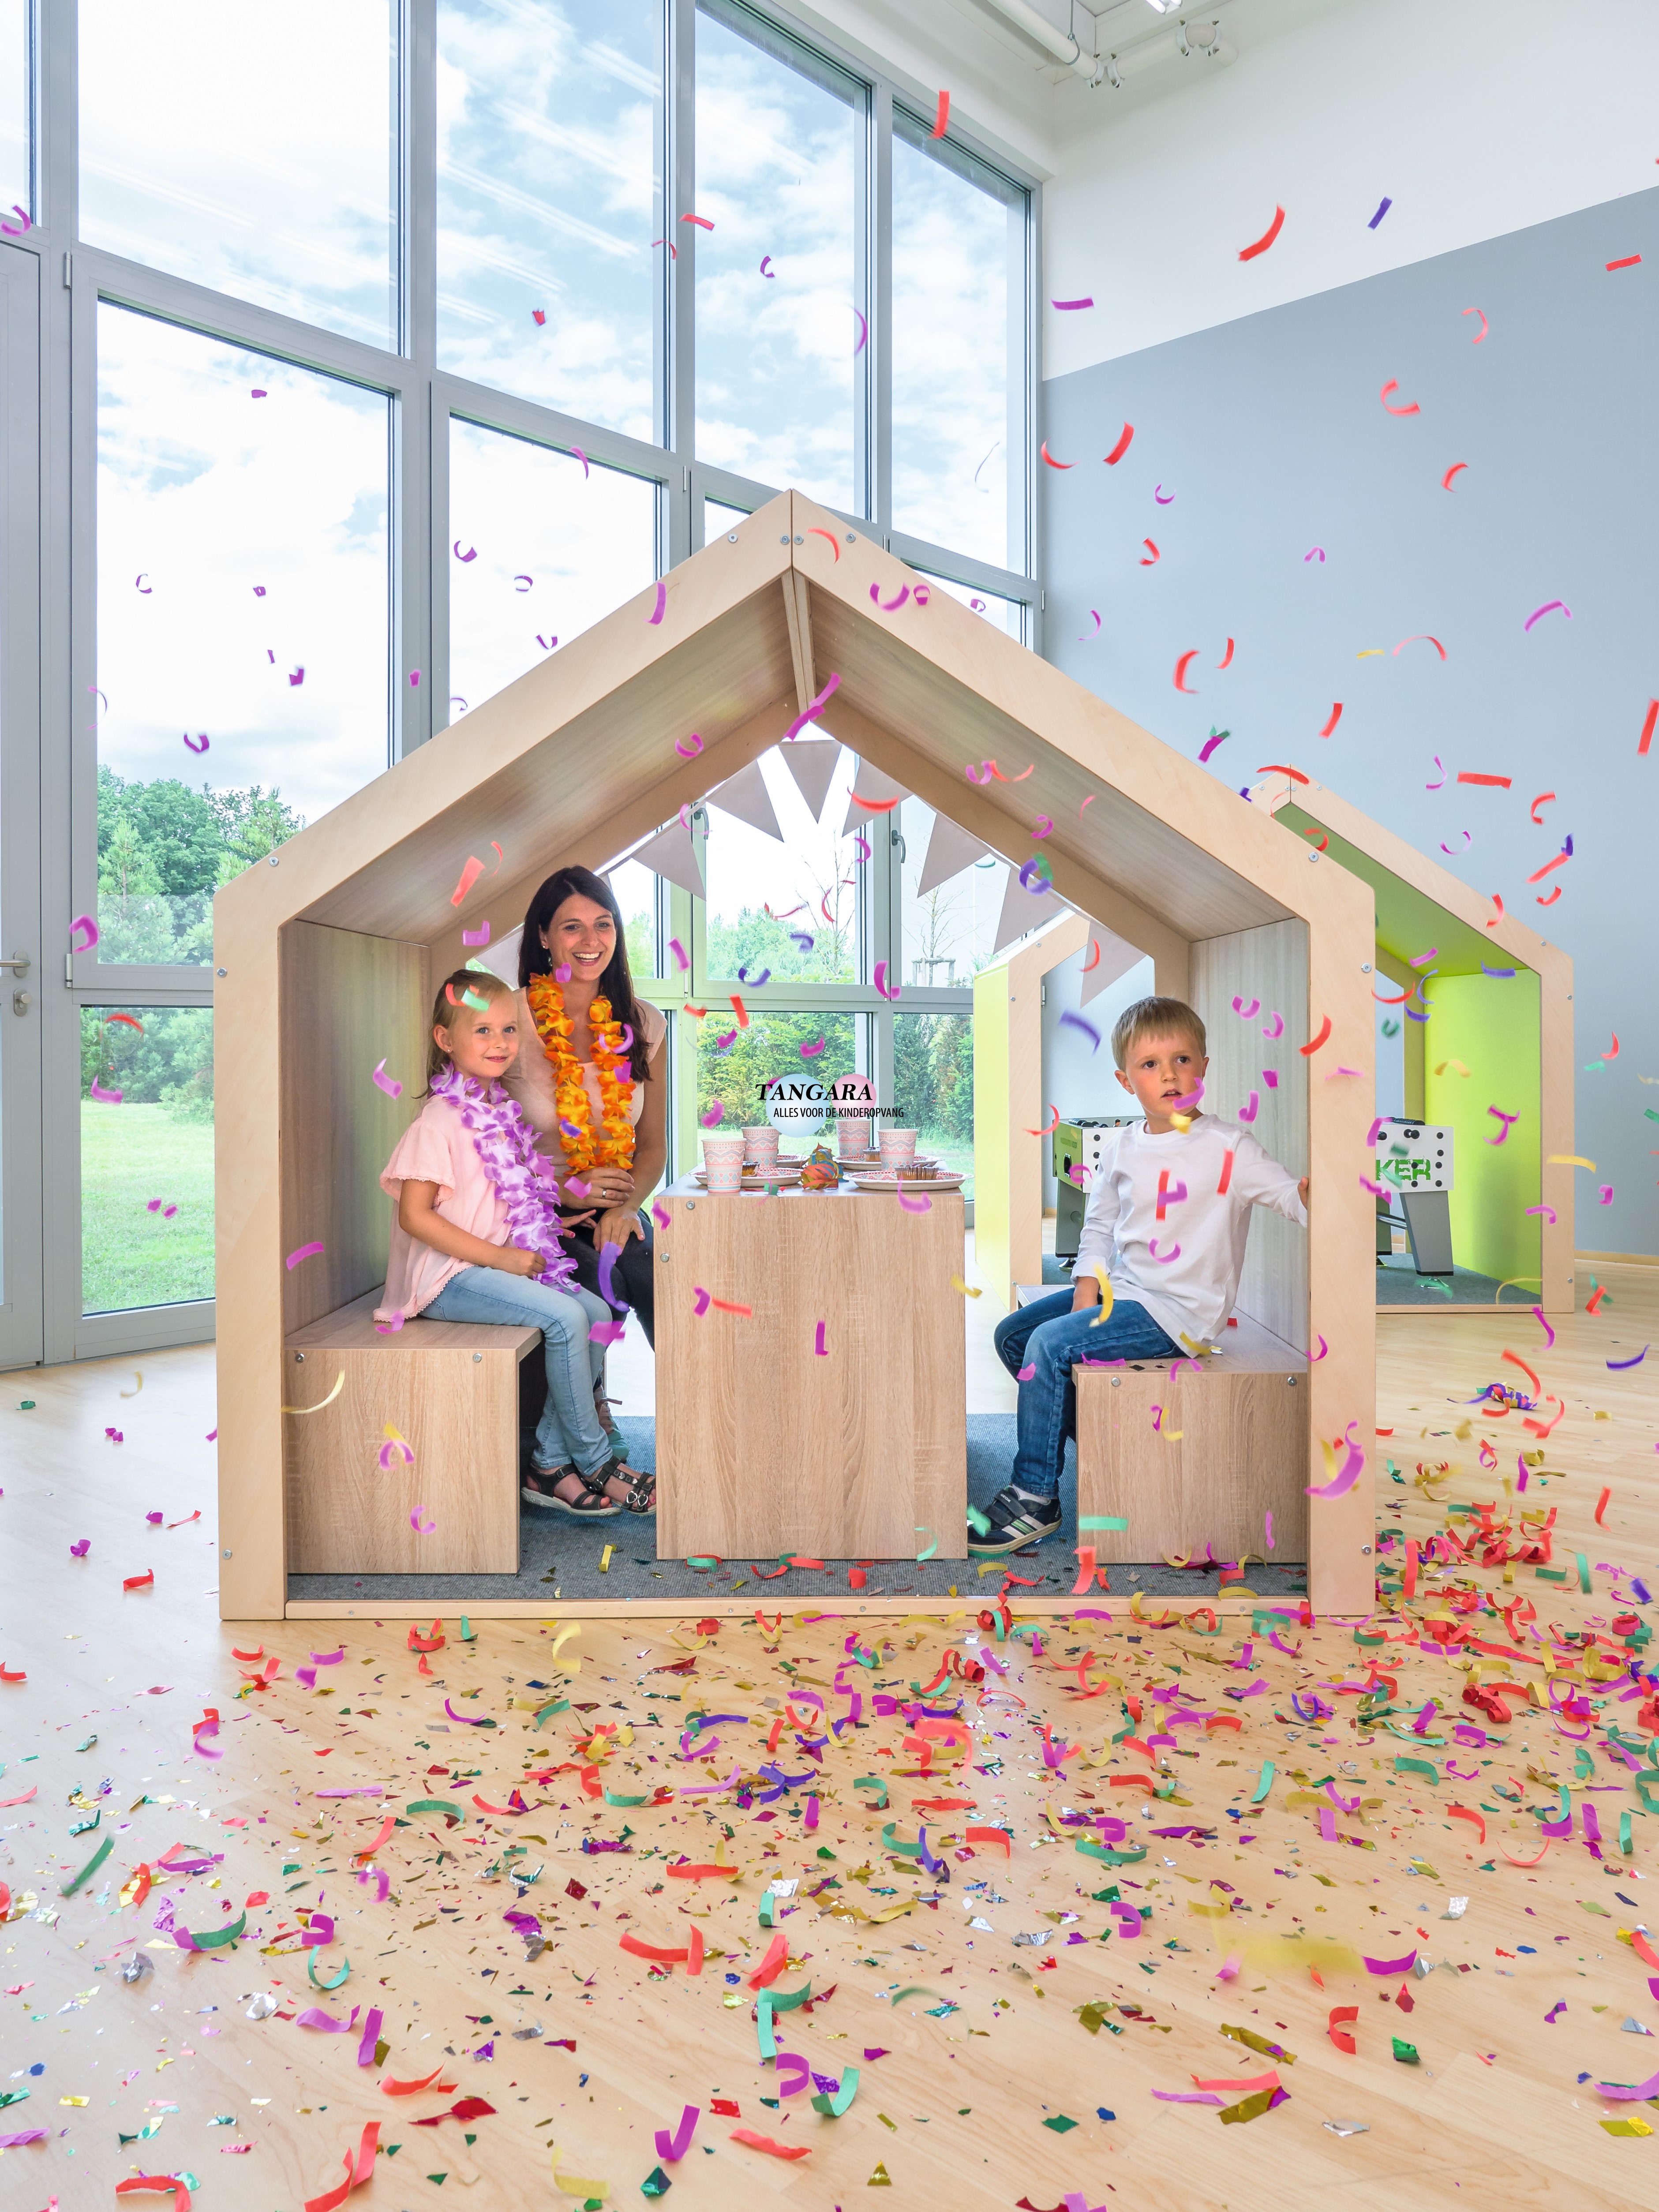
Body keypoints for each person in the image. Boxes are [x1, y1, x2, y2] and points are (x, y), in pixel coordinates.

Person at [971, 994, 1309, 1557]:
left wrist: (1311, 1194)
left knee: (1049, 1345)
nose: (1169, 1075)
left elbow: (1289, 1197)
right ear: (1126, 1081)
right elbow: (1099, 1225)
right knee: (1012, 1335)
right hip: (1125, 1292)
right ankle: (1102, 1442)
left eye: (1182, 1059)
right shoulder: (1123, 1145)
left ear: (1203, 1067)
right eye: (1150, 1065)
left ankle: (1035, 1495)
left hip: (1180, 1314)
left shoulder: (1230, 1147)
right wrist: (1086, 1283)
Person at [375, 968, 655, 1518]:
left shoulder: (499, 1109)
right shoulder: (438, 1121)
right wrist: (502, 1256)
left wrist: (555, 1212)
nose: (500, 1042)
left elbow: (506, 1188)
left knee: (598, 1312)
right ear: (445, 1039)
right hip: (447, 1278)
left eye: (508, 1030)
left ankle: (548, 1463)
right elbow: (414, 1216)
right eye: (482, 1030)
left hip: (491, 1270)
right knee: (566, 1317)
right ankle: (595, 1461)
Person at [502, 868, 667, 1407]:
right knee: (596, 1277)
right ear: (543, 935)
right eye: (571, 926)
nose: (590, 940)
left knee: (652, 1267)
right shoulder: (506, 1018)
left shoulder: (643, 1022)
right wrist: (559, 1192)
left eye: (603, 923)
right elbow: (477, 1138)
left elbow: (652, 1144)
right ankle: (581, 1417)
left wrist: (627, 1207)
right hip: (529, 1211)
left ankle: (701, 1415)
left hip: (615, 1202)